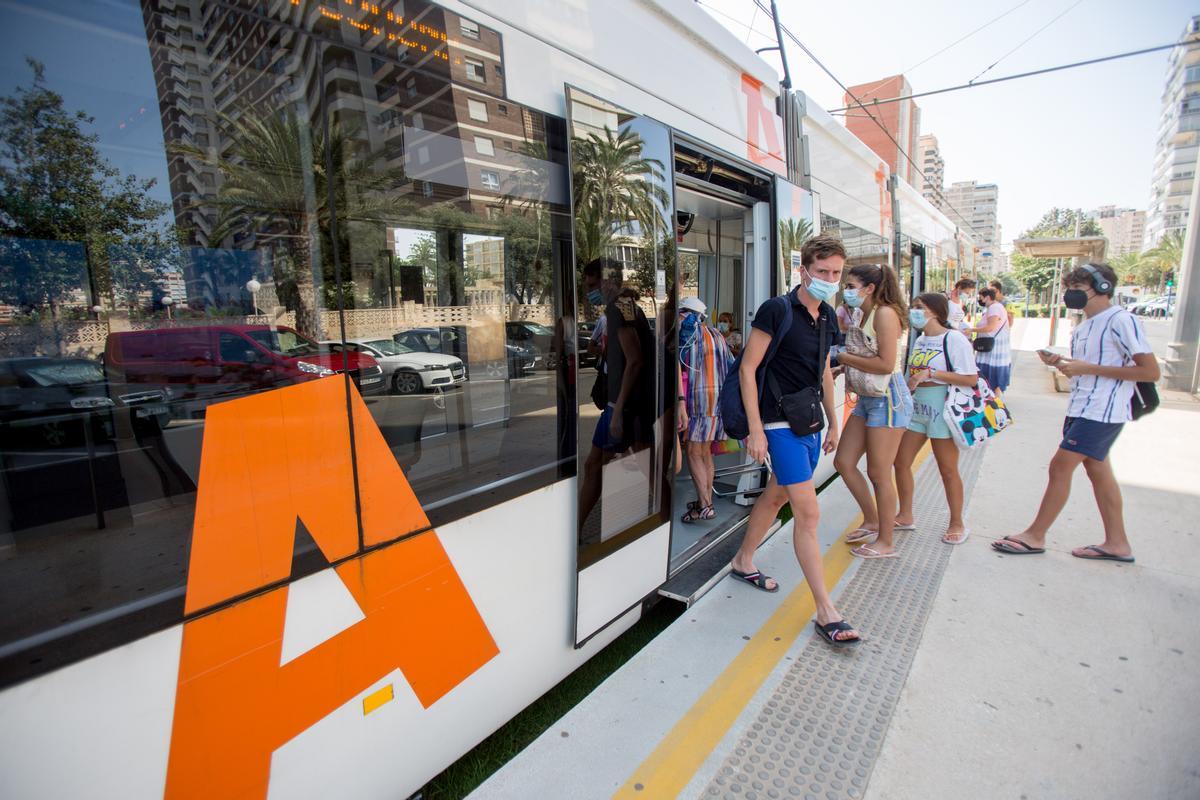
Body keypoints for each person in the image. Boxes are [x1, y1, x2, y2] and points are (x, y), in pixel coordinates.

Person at [729, 234, 859, 647]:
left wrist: (834, 422)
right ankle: (826, 610)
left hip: (809, 423)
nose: (829, 279)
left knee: (776, 497)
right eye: (822, 271)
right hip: (777, 425)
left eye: (836, 273)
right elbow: (749, 369)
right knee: (809, 513)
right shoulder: (777, 309)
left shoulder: (827, 318)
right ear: (803, 270)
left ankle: (742, 559)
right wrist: (754, 429)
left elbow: (822, 370)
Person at [993, 263, 1159, 562]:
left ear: (1103, 288)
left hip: (1102, 411)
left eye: (1078, 290)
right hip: (1082, 407)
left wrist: (1087, 368)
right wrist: (1063, 365)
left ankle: (1035, 535)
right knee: (1099, 473)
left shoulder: (1121, 321)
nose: (1071, 295)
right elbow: (1084, 372)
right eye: (1069, 289)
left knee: (1060, 467)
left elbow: (1150, 371)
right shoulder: (1083, 327)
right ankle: (1117, 543)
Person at [832, 264, 913, 559]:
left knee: (879, 473)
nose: (846, 290)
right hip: (868, 397)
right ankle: (872, 519)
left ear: (869, 288)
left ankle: (886, 541)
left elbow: (885, 364)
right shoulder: (861, 313)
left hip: (888, 399)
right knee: (844, 461)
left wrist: (843, 357)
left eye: (850, 285)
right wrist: (845, 366)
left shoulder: (884, 313)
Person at [893, 293, 980, 545]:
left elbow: (970, 378)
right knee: (900, 462)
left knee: (948, 469)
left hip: (942, 410)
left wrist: (932, 373)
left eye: (919, 308)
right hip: (918, 409)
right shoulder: (919, 340)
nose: (914, 311)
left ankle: (957, 523)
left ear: (934, 311)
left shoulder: (954, 339)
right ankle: (906, 514)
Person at [577, 258, 655, 534]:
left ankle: (576, 530)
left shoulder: (617, 308)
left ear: (607, 282)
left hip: (624, 405)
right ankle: (578, 527)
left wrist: (618, 411)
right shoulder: (628, 306)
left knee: (597, 465)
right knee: (598, 465)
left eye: (592, 285)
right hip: (630, 404)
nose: (589, 291)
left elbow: (635, 361)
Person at [679, 297, 734, 522]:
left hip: (699, 402)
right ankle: (705, 500)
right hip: (717, 401)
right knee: (705, 453)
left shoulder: (688, 332)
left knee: (694, 452)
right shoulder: (716, 334)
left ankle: (705, 506)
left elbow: (679, 363)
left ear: (685, 312)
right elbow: (731, 364)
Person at [967, 287, 1012, 394]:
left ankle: (994, 403)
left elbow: (990, 327)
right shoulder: (997, 307)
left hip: (992, 350)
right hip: (994, 348)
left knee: (991, 378)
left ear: (987, 297)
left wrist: (971, 330)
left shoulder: (994, 308)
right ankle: (995, 401)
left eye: (981, 298)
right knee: (994, 380)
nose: (980, 300)